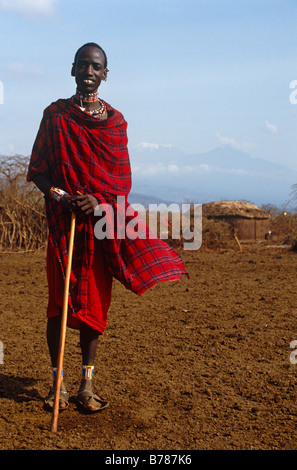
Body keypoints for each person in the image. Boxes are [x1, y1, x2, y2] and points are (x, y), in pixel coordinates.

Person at [27, 42, 188, 413]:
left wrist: (98, 203)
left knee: (95, 305)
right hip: (63, 225)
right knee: (58, 305)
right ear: (72, 69)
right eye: (82, 64)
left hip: (99, 227)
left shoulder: (116, 124)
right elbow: (38, 171)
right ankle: (57, 384)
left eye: (95, 66)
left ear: (105, 74)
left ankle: (86, 383)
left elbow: (120, 183)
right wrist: (62, 196)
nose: (88, 71)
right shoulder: (55, 116)